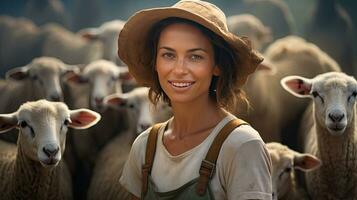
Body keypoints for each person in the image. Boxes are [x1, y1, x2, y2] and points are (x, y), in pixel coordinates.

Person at [118, 0, 272, 199]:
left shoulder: (242, 146)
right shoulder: (144, 146)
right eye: (168, 55)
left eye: (195, 57)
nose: (179, 69)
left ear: (217, 65)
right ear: (155, 62)